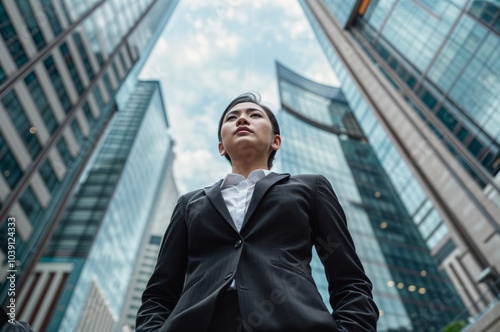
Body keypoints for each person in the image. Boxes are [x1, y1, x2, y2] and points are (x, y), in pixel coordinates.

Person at [136, 92, 378, 331]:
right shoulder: (189, 203)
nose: (242, 120)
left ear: (276, 141)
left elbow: (349, 278)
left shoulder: (310, 187)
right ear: (221, 147)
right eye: (232, 118)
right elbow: (160, 292)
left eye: (254, 115)